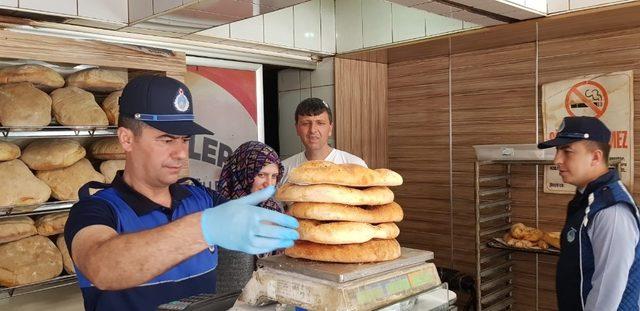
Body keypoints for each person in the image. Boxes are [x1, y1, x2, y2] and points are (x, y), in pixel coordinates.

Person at [63, 76, 299, 311]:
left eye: (185, 140)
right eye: (166, 139)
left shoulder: (201, 198)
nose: (181, 154)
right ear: (127, 139)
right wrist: (203, 229)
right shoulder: (96, 210)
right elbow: (103, 268)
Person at [538, 116, 640, 310]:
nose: (557, 159)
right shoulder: (588, 199)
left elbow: (606, 293)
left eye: (567, 151)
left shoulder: (611, 211)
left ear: (596, 157)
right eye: (557, 150)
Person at [215, 140, 284, 293]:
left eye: (274, 176)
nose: (269, 184)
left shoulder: (274, 208)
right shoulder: (223, 212)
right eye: (261, 175)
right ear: (242, 172)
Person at [281, 97, 367, 183]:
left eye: (320, 123)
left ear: (330, 128)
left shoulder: (355, 166)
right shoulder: (283, 170)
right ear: (297, 129)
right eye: (306, 123)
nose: (312, 130)